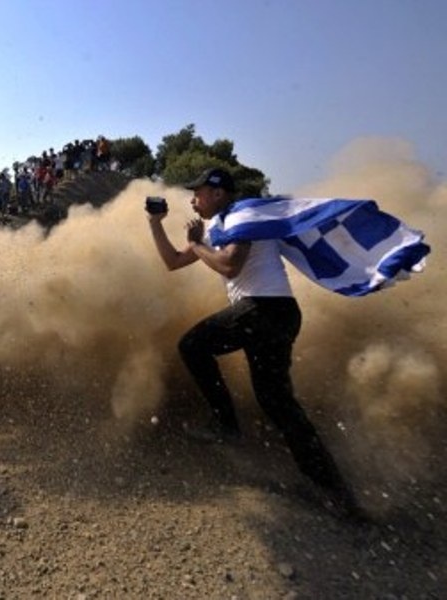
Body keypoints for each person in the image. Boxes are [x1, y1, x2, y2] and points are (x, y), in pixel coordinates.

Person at [147, 167, 362, 518]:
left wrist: (198, 243)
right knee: (278, 404)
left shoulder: (243, 214)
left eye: (198, 193)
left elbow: (230, 265)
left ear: (217, 193)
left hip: (264, 310)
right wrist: (156, 223)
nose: (193, 199)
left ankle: (225, 424)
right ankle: (334, 492)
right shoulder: (221, 225)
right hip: (277, 315)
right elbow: (173, 262)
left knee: (192, 345)